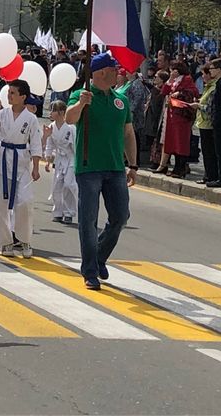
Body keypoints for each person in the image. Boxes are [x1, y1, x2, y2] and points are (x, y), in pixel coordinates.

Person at [65, 52, 136, 291]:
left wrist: (133, 164)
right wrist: (81, 103)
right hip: (89, 167)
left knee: (120, 217)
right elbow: (69, 118)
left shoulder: (121, 100)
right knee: (88, 220)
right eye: (114, 69)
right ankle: (90, 271)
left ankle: (100, 256)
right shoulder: (81, 95)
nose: (118, 72)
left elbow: (128, 133)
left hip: (116, 167)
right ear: (103, 72)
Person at [0, 79, 43, 257]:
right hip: (2, 160)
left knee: (25, 202)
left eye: (12, 93)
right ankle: (6, 242)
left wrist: (36, 167)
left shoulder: (31, 118)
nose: (9, 96)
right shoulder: (1, 115)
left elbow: (35, 144)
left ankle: (24, 240)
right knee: (0, 204)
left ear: (23, 97)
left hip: (22, 163)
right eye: (8, 92)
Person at [197, 59, 221, 188]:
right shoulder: (220, 83)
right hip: (216, 121)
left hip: (220, 123)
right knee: (217, 151)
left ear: (219, 69)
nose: (211, 71)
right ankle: (218, 177)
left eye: (212, 68)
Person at [156, 61, 197, 178]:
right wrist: (169, 80)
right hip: (171, 114)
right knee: (172, 142)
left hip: (182, 115)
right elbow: (164, 92)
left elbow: (194, 91)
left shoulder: (186, 79)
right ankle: (175, 167)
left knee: (181, 142)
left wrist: (180, 93)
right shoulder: (172, 81)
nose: (172, 72)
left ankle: (180, 168)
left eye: (173, 70)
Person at [45, 99, 77, 223]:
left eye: (53, 111)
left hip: (70, 158)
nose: (50, 113)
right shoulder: (51, 127)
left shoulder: (70, 127)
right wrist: (48, 160)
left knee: (69, 184)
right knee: (57, 186)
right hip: (59, 158)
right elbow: (50, 144)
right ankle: (58, 211)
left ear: (61, 112)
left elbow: (75, 146)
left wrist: (77, 162)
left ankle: (69, 212)